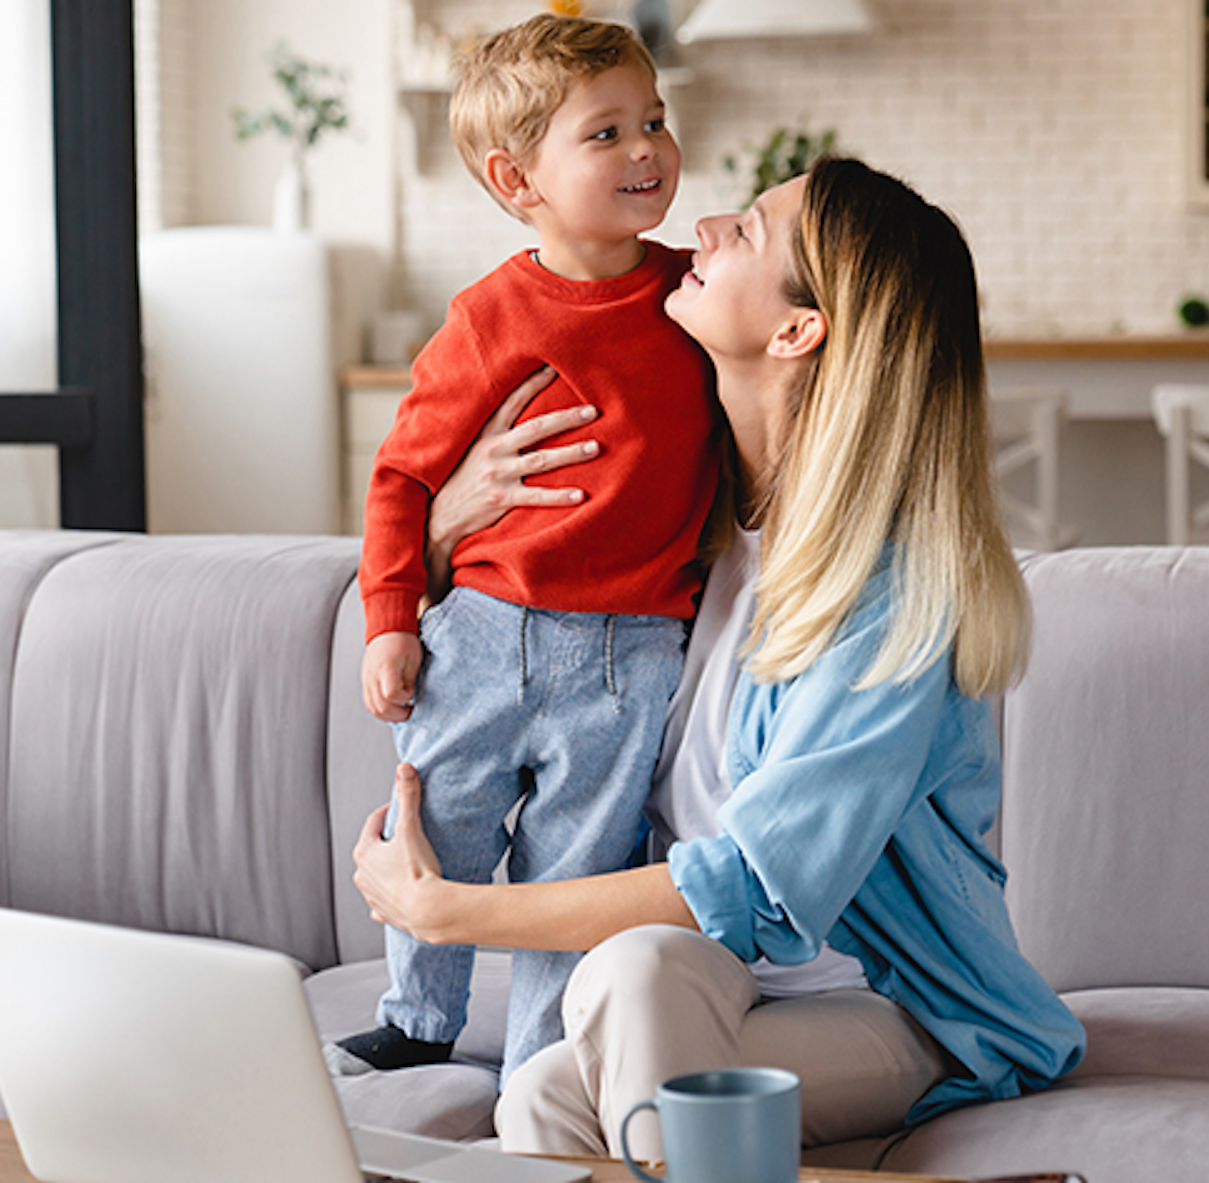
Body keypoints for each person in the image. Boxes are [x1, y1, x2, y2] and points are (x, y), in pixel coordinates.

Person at [352, 158, 1087, 1159]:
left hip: (887, 1004)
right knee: (535, 1098)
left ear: (796, 330)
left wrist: (447, 910)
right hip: (713, 988)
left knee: (635, 974)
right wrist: (441, 529)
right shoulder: (688, 527)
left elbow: (757, 886)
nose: (701, 227)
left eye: (746, 229)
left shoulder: (888, 592)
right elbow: (519, 637)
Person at [335, 14, 719, 1084]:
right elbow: (403, 479)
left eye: (654, 121)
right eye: (606, 134)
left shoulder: (696, 300)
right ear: (519, 180)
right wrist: (390, 621)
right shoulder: (488, 317)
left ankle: (544, 1066)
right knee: (436, 829)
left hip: (634, 651)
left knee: (578, 870)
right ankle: (417, 1016)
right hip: (485, 634)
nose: (647, 148)